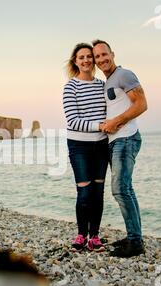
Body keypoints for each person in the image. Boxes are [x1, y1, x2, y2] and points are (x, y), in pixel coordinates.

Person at [92, 39, 148, 257]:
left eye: (104, 54)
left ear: (112, 54)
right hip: (115, 141)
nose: (102, 59)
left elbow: (142, 104)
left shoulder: (124, 75)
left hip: (126, 139)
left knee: (120, 189)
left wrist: (116, 122)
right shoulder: (108, 81)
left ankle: (135, 242)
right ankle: (134, 237)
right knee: (126, 189)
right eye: (98, 57)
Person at [63, 43, 109, 252]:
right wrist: (99, 125)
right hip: (78, 146)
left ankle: (95, 237)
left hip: (101, 145)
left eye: (89, 57)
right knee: (84, 193)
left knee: (98, 192)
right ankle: (81, 235)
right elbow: (73, 121)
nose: (86, 60)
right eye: (81, 57)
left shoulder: (102, 86)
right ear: (75, 61)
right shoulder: (70, 87)